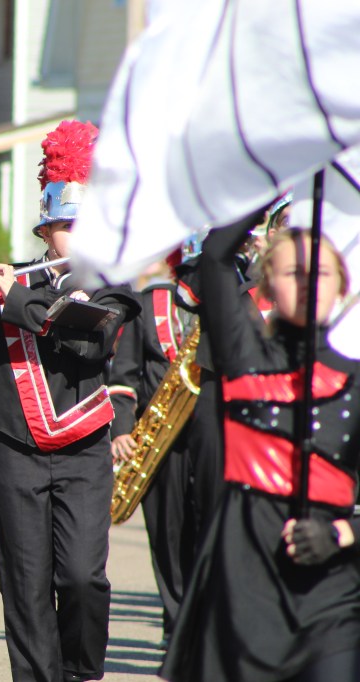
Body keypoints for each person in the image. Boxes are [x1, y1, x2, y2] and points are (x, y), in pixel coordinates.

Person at [0, 121, 140, 682]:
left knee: (81, 577)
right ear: (46, 229)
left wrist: (16, 299)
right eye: (65, 226)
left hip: (82, 451)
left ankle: (79, 672)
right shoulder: (9, 283)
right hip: (15, 451)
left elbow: (90, 338)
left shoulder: (111, 283)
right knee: (24, 583)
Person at [160, 218, 360, 682]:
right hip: (241, 582)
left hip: (331, 593)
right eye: (294, 273)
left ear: (344, 286)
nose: (309, 283)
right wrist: (272, 172)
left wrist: (342, 534)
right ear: (269, 282)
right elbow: (214, 253)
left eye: (321, 274)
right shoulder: (242, 354)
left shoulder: (355, 381)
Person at [108, 251, 197, 646]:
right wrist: (121, 430)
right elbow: (124, 374)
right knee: (168, 536)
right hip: (161, 441)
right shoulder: (149, 303)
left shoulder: (237, 300)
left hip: (216, 439)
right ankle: (178, 628)